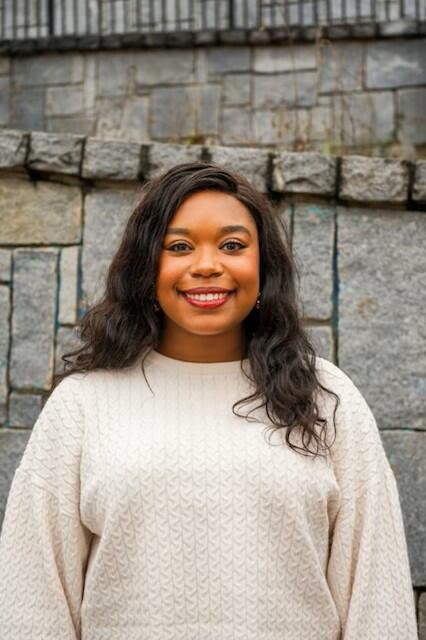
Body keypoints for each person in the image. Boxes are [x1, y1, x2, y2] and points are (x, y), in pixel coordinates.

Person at [0, 162, 418, 640]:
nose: (206, 265)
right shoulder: (83, 404)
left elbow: (376, 593)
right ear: (146, 268)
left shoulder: (325, 396)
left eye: (232, 245)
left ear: (264, 266)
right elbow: (32, 598)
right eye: (179, 247)